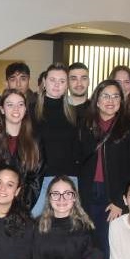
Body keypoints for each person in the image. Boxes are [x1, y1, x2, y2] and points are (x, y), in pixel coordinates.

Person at [77, 80, 130, 259]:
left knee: (107, 246)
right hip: (87, 192)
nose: (110, 101)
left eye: (115, 96)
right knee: (89, 244)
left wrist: (118, 200)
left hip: (112, 196)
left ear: (122, 102)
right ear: (97, 100)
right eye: (105, 96)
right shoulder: (85, 124)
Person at [31, 63, 80, 217]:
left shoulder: (74, 113)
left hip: (69, 178)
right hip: (41, 178)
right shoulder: (31, 110)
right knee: (35, 222)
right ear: (44, 82)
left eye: (62, 81)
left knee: (66, 226)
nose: (57, 85)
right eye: (52, 80)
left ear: (67, 85)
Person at [0, 89, 43, 210]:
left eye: (20, 104)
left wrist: (21, 207)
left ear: (25, 109)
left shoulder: (35, 141)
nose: (16, 109)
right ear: (2, 109)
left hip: (22, 207)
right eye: (10, 105)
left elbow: (35, 181)